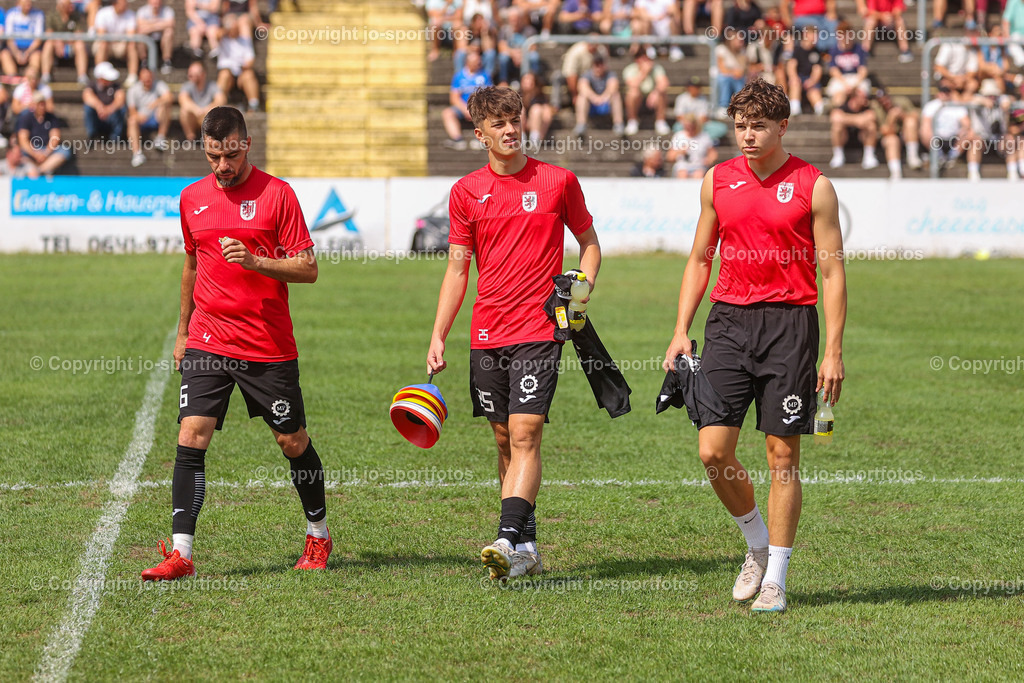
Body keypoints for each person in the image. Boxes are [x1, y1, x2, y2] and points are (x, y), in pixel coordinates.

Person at [663, 77, 847, 613]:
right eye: (741, 126)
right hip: (727, 324)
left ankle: (777, 580)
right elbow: (700, 259)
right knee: (713, 450)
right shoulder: (717, 180)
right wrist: (680, 328)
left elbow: (832, 273)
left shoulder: (814, 186)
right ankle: (757, 544)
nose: (747, 136)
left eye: (758, 126)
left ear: (782, 127)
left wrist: (833, 351)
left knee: (781, 454)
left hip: (791, 327)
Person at [142, 106, 330, 581]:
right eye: (212, 157)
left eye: (229, 155)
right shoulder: (192, 198)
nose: (221, 166)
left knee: (292, 441)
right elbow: (192, 265)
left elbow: (308, 268)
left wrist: (256, 261)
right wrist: (184, 331)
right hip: (208, 338)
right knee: (191, 434)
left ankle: (318, 535)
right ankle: (181, 554)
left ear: (246, 144)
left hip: (267, 344)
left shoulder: (278, 194)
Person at [426, 85, 601, 581]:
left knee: (526, 432)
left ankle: (505, 538)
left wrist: (583, 287)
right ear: (479, 134)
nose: (510, 130)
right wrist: (439, 333)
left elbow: (589, 243)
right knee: (504, 439)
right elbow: (457, 269)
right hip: (487, 332)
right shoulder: (465, 192)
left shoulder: (558, 181)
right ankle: (526, 547)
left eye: (515, 120)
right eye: (498, 124)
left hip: (539, 328)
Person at [443, 46, 492, 149]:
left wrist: (477, 108)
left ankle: (481, 139)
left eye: (479, 61)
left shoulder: (485, 76)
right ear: (468, 62)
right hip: (463, 107)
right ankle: (458, 140)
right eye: (476, 62)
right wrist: (465, 110)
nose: (478, 63)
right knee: (447, 113)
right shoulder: (459, 76)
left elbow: (490, 95)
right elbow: (454, 98)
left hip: (480, 107)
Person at [16, 91, 72, 175]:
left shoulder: (52, 118)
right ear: (33, 105)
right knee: (19, 153)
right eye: (39, 104)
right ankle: (38, 170)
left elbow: (55, 138)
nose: (42, 107)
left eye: (43, 104)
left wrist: (46, 153)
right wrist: (35, 154)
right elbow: (23, 140)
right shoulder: (26, 118)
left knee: (65, 150)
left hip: (47, 149)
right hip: (32, 150)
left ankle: (39, 171)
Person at [127, 66, 172, 167]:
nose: (147, 80)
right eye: (145, 78)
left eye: (149, 77)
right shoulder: (133, 90)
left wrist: (155, 103)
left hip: (156, 117)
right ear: (140, 78)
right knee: (131, 121)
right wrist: (140, 116)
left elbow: (169, 97)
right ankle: (137, 153)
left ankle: (160, 137)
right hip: (141, 119)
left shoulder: (159, 84)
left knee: (165, 106)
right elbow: (132, 111)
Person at [573, 52, 625, 136]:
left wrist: (603, 97)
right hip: (591, 105)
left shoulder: (610, 74)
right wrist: (594, 97)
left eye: (601, 65)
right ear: (592, 65)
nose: (599, 68)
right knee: (582, 97)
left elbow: (613, 86)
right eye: (596, 65)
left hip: (606, 103)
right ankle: (581, 124)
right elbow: (582, 86)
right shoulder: (587, 74)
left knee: (616, 95)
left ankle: (618, 124)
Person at [216, 13, 260, 112]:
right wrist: (228, 28)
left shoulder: (245, 40)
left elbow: (250, 59)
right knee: (224, 75)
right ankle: (218, 104)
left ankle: (254, 105)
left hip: (241, 72)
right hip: (228, 72)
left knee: (248, 75)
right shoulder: (223, 39)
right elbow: (217, 35)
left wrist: (244, 66)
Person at [623, 49, 671, 135]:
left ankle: (660, 122)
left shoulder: (657, 68)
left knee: (661, 93)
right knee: (632, 93)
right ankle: (632, 121)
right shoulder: (630, 69)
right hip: (638, 101)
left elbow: (664, 84)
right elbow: (633, 85)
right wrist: (644, 73)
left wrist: (655, 92)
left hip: (653, 101)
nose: (648, 62)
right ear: (638, 59)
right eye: (645, 59)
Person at [42, 0, 89, 86]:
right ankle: (46, 75)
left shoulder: (76, 15)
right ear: (62, 6)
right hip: (55, 44)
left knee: (80, 45)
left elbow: (79, 34)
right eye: (69, 5)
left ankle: (82, 76)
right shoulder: (52, 14)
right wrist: (57, 41)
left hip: (71, 44)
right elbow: (49, 33)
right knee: (48, 44)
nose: (72, 7)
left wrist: (66, 41)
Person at [92, 0, 138, 87]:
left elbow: (131, 36)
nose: (125, 4)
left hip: (121, 45)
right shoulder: (103, 13)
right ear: (115, 4)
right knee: (103, 44)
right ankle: (99, 75)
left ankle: (132, 76)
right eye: (123, 2)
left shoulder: (131, 14)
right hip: (106, 43)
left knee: (132, 45)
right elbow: (101, 35)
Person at [179, 60, 226, 141]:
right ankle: (191, 139)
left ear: (203, 74)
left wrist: (206, 110)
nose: (191, 77)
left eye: (195, 74)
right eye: (190, 74)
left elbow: (221, 100)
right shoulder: (187, 86)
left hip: (207, 117)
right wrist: (196, 110)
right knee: (184, 111)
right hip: (193, 117)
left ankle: (209, 140)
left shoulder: (212, 86)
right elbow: (183, 99)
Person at [785, 25, 825, 116]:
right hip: (798, 78)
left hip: (809, 79)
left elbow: (817, 69)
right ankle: (795, 109)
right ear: (806, 35)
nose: (815, 38)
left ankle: (820, 108)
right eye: (813, 35)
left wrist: (812, 81)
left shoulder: (817, 52)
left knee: (813, 90)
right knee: (795, 84)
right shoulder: (797, 49)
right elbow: (791, 65)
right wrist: (794, 77)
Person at [82, 60, 127, 140]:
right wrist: (99, 107)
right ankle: (93, 135)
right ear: (100, 78)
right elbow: (87, 95)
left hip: (111, 117)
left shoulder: (116, 86)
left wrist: (108, 110)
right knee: (88, 108)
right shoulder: (92, 85)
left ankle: (115, 137)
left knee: (122, 109)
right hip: (97, 118)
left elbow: (120, 99)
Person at [2, 0, 46, 77]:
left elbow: (38, 39)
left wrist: (28, 52)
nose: (28, 6)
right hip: (14, 49)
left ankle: (30, 79)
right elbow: (9, 39)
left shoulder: (38, 14)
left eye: (29, 3)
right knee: (4, 55)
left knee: (37, 56)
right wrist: (16, 53)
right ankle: (13, 79)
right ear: (18, 4)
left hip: (32, 49)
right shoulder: (11, 14)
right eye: (25, 3)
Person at [667, 113, 717, 177]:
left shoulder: (704, 136)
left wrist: (709, 160)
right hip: (682, 165)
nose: (690, 129)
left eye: (692, 127)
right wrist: (680, 151)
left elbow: (712, 153)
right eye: (687, 127)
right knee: (682, 173)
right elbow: (669, 157)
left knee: (698, 174)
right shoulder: (678, 136)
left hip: (699, 165)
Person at [135, 0, 176, 75]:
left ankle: (167, 61)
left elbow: (171, 24)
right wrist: (160, 24)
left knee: (169, 32)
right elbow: (140, 26)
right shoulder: (142, 11)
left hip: (161, 42)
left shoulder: (168, 10)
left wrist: (150, 26)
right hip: (148, 42)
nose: (156, 3)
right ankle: (144, 61)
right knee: (140, 34)